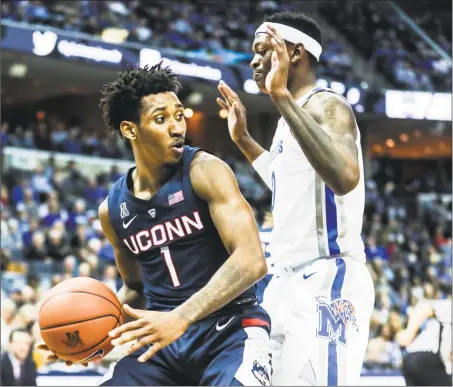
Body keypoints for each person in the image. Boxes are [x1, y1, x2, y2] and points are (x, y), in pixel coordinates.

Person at [39, 63, 271, 386]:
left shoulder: (205, 171)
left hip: (231, 331)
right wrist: (79, 336)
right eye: (161, 119)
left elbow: (251, 261)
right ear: (130, 130)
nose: (178, 128)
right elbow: (135, 289)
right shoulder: (113, 210)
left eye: (179, 115)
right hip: (161, 344)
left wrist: (181, 317)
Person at [217, 11, 374, 385]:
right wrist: (243, 140)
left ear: (295, 53)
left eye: (263, 50)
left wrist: (281, 96)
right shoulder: (290, 120)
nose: (253, 60)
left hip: (329, 277)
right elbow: (285, 182)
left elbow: (346, 176)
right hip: (284, 282)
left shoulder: (328, 105)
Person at [397, 298, 451, 386]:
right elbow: (425, 306)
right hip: (426, 357)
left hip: (412, 360)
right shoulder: (449, 308)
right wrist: (410, 332)